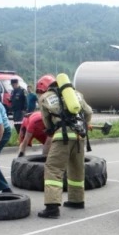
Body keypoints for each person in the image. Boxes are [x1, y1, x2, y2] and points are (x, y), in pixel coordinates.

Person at [36, 74, 93, 219]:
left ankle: (52, 207)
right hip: (79, 137)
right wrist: (83, 125)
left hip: (62, 137)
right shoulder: (76, 94)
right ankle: (76, 200)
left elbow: (46, 120)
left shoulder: (46, 97)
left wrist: (51, 129)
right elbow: (88, 112)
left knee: (53, 168)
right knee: (76, 167)